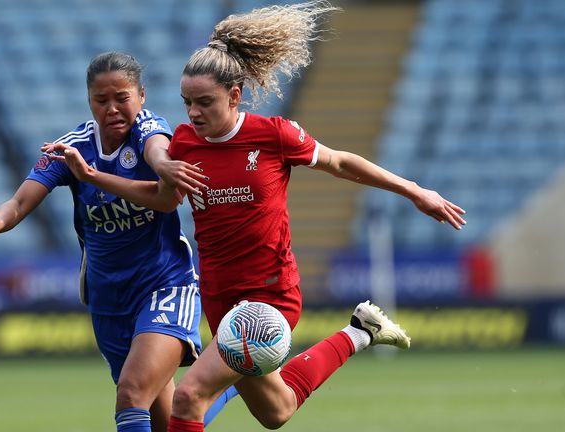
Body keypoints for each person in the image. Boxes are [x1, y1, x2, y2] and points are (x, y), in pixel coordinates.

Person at [47, 3, 467, 431]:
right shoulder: (185, 145)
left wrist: (415, 191)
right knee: (276, 411)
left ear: (234, 96)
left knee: (189, 398)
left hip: (269, 297)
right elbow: (160, 199)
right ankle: (361, 331)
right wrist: (93, 176)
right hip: (218, 297)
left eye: (204, 102)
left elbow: (340, 162)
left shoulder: (273, 136)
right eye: (187, 102)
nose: (193, 113)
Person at [0, 52, 234, 432]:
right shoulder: (73, 148)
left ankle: (220, 388)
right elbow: (21, 201)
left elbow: (156, 153)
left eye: (122, 97)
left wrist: (164, 164)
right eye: (101, 100)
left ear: (141, 96)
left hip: (165, 285)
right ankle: (229, 388)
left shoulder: (151, 129)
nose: (113, 109)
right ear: (89, 101)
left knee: (131, 393)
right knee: (162, 417)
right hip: (109, 298)